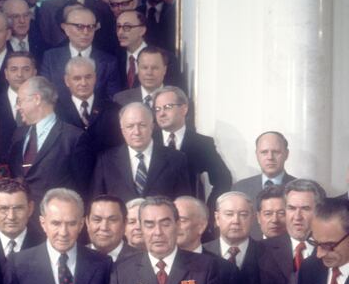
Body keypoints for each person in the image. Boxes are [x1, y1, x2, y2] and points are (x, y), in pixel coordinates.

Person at [8, 76, 91, 207]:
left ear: (36, 99)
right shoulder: (18, 135)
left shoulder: (74, 137)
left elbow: (83, 189)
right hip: (20, 221)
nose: (18, 107)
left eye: (20, 101)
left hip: (55, 222)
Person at [153, 86, 232, 214]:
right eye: (157, 109)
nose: (161, 113)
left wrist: (208, 211)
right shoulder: (149, 141)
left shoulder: (202, 144)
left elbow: (223, 180)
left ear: (184, 109)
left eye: (168, 107)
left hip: (189, 218)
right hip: (155, 217)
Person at [91, 102, 190, 202]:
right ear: (122, 130)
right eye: (130, 126)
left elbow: (183, 204)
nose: (137, 132)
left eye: (142, 125)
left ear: (152, 127)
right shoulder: (105, 160)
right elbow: (97, 202)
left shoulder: (176, 159)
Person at [41, 5, 121, 102]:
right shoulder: (51, 58)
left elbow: (112, 99)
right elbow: (46, 96)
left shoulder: (109, 62)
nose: (86, 32)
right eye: (79, 27)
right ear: (65, 28)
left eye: (91, 27)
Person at [55, 56, 122, 154]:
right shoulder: (56, 111)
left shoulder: (113, 110)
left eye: (88, 77)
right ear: (67, 81)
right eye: (77, 78)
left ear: (95, 77)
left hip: (105, 167)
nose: (83, 83)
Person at [0, 51, 37, 159]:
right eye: (14, 69)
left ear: (34, 73)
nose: (20, 74)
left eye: (26, 69)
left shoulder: (45, 104)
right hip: (2, 170)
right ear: (6, 74)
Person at [0, 178, 43, 259]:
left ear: (30, 209)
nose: (11, 217)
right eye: (4, 209)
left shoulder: (45, 245)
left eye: (18, 208)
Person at [232, 131, 297, 203]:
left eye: (276, 152)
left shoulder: (300, 189)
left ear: (286, 154)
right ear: (256, 155)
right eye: (264, 152)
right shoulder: (240, 188)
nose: (270, 157)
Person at [87, 195, 139, 262]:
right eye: (97, 220)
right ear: (87, 222)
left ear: (124, 223)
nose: (104, 227)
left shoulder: (144, 261)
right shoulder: (76, 258)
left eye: (112, 220)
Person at [3, 0, 45, 65]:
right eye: (16, 16)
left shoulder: (42, 44)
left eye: (26, 15)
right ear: (5, 18)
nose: (22, 21)